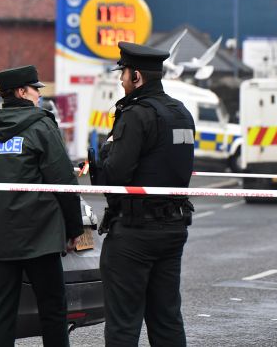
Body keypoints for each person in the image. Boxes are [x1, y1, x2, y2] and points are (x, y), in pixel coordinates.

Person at [0, 65, 83, 347]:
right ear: (21, 92)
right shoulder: (41, 127)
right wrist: (74, 229)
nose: (39, 95)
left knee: (3, 311)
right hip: (40, 236)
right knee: (52, 309)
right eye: (35, 89)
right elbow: (63, 181)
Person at [96, 42, 196, 346]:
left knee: (123, 325)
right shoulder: (181, 113)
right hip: (173, 228)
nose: (121, 80)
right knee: (166, 320)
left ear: (136, 76)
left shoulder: (136, 114)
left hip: (135, 234)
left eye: (123, 73)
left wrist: (103, 155)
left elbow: (115, 176)